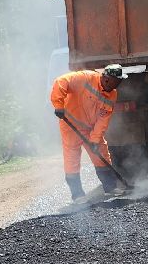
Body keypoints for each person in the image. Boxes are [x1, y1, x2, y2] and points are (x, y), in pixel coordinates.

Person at [50, 64, 125, 200]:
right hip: (71, 125)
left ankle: (110, 188)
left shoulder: (112, 94)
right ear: (107, 79)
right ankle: (77, 194)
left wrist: (95, 140)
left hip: (90, 128)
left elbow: (103, 120)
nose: (119, 85)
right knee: (72, 158)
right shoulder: (85, 78)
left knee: (101, 153)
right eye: (118, 81)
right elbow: (61, 81)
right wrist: (59, 105)